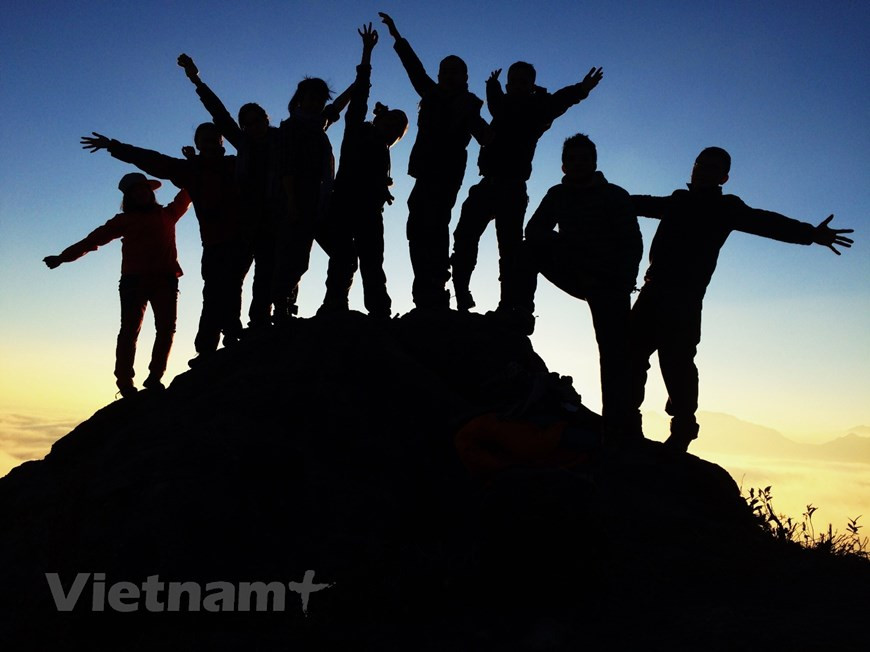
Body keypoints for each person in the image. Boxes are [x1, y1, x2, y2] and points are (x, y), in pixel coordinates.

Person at [629, 147, 854, 451]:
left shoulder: (726, 208)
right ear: (693, 168)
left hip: (685, 299)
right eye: (700, 164)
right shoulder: (677, 201)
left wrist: (811, 234)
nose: (703, 170)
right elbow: (636, 204)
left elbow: (767, 222)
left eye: (712, 167)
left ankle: (682, 430)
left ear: (724, 177)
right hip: (652, 291)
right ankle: (626, 420)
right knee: (629, 356)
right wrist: (601, 194)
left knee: (677, 362)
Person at [176, 54, 351, 328]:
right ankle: (236, 330)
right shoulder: (242, 145)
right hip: (248, 220)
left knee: (277, 269)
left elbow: (329, 114)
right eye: (248, 123)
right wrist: (195, 79)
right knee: (237, 277)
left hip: (278, 215)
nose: (254, 126)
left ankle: (265, 320)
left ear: (265, 119)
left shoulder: (283, 136)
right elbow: (219, 114)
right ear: (244, 126)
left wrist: (360, 80)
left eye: (258, 120)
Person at [506, 134, 642, 441]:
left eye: (585, 159)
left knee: (615, 354)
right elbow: (534, 229)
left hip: (610, 283)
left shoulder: (615, 196)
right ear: (564, 165)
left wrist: (622, 280)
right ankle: (520, 312)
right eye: (573, 160)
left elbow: (632, 243)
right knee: (526, 250)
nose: (579, 165)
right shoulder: (558, 194)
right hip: (574, 271)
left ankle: (620, 425)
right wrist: (565, 245)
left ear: (594, 163)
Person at [81, 125, 247, 366]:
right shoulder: (191, 171)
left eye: (215, 139)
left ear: (221, 143)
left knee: (231, 288)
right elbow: (152, 160)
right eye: (205, 140)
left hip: (239, 239)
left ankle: (230, 336)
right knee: (214, 293)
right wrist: (114, 147)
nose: (211, 143)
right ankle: (207, 349)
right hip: (211, 244)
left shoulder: (235, 164)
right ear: (198, 143)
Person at [450, 60, 603, 312]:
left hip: (512, 189)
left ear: (532, 86)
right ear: (509, 84)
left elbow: (560, 101)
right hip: (487, 184)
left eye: (524, 82)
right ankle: (461, 292)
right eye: (514, 81)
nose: (518, 86)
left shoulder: (537, 110)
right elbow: (495, 100)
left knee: (509, 249)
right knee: (465, 237)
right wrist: (492, 84)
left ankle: (508, 306)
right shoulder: (501, 106)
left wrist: (582, 88)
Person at [378, 12, 490, 311]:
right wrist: (396, 35)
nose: (448, 76)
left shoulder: (468, 105)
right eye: (444, 71)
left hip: (447, 173)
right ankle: (427, 288)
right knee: (418, 227)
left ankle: (436, 288)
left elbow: (487, 137)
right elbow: (413, 68)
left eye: (454, 72)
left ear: (464, 77)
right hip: (427, 172)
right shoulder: (432, 94)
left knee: (435, 225)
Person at [44, 173, 191, 397]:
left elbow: (188, 192)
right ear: (129, 197)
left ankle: (154, 378)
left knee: (165, 329)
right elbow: (92, 241)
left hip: (165, 280)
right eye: (137, 191)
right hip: (134, 282)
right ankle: (125, 383)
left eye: (145, 189)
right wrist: (63, 257)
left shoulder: (168, 213)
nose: (142, 193)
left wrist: (193, 167)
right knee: (130, 331)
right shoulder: (123, 221)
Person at [318, 23, 408, 318]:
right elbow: (361, 94)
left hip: (370, 212)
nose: (392, 129)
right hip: (344, 205)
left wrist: (384, 188)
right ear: (379, 120)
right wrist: (367, 53)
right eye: (391, 122)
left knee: (371, 261)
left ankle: (378, 311)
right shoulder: (357, 130)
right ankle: (335, 305)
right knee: (344, 258)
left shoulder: (383, 151)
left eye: (398, 129)